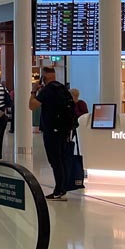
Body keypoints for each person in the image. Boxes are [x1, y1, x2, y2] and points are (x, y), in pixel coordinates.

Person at [29, 66, 77, 201]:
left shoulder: (47, 90)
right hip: (63, 130)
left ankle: (59, 190)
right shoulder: (63, 89)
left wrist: (33, 91)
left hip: (51, 130)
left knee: (55, 160)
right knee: (61, 159)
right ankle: (62, 187)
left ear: (43, 77)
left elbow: (31, 106)